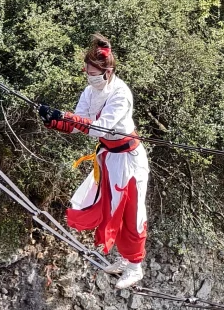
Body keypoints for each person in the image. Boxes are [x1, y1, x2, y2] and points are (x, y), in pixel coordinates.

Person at [38, 35, 148, 291]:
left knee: (132, 211)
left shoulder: (121, 93)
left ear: (107, 72)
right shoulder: (89, 91)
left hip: (129, 160)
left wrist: (66, 118)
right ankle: (125, 258)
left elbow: (101, 126)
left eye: (93, 72)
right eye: (86, 71)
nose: (89, 76)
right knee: (113, 209)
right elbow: (80, 122)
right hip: (109, 157)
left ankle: (135, 266)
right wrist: (55, 120)